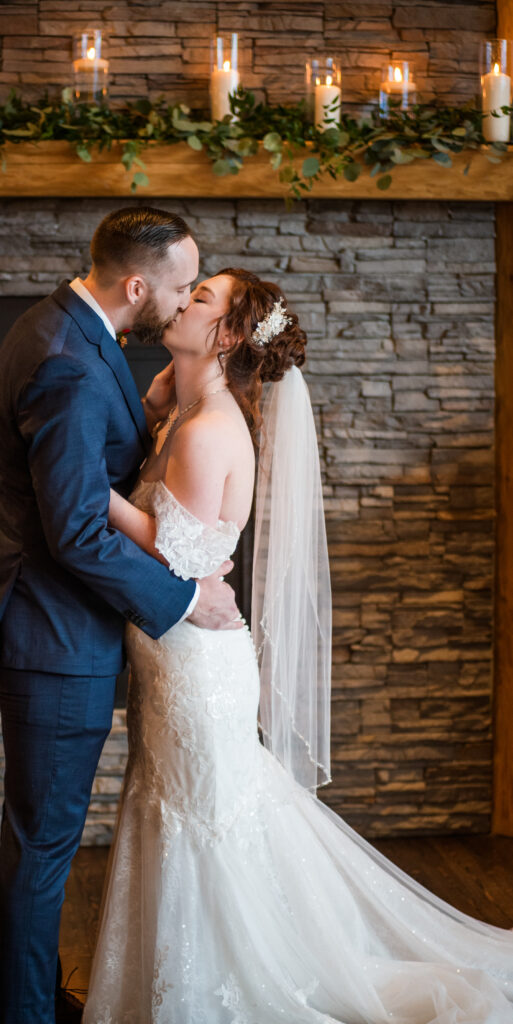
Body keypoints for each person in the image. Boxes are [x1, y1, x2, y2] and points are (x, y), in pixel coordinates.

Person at [83, 268, 513, 1023]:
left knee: (201, 820)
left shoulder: (213, 426)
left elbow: (175, 559)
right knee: (183, 812)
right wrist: (153, 404)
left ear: (225, 336)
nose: (182, 301)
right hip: (175, 656)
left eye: (202, 298)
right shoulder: (187, 414)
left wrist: (90, 492)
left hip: (195, 666)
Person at [0, 207, 242, 1024]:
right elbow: (80, 527)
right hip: (52, 639)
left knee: (39, 846)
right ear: (135, 286)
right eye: (182, 285)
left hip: (51, 630)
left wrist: (149, 407)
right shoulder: (72, 365)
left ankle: (33, 997)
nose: (187, 297)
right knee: (43, 849)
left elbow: (82, 468)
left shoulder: (65, 328)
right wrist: (186, 600)